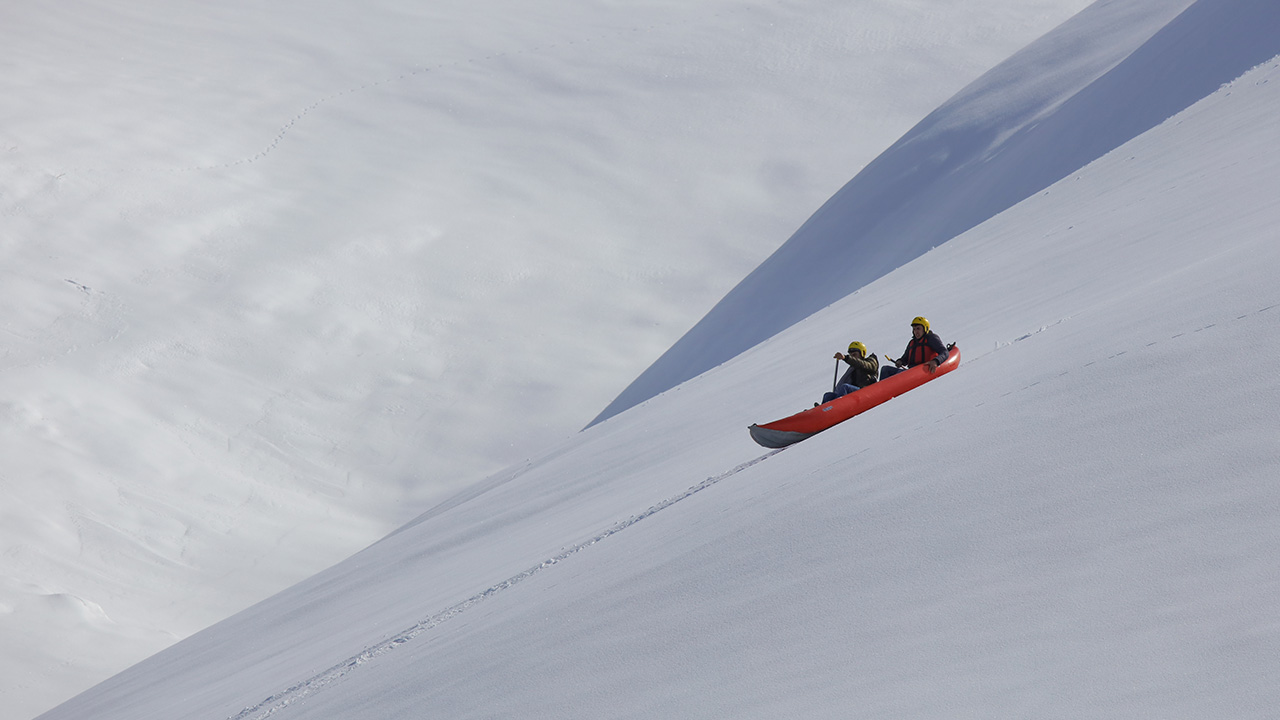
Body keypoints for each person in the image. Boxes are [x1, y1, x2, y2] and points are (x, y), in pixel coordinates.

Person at [881, 316, 949, 381]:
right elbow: (905, 358)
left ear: (925, 328)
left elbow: (945, 352)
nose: (916, 331)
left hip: (923, 371)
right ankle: (879, 389)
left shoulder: (931, 338)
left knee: (899, 374)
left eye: (918, 329)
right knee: (885, 369)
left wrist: (936, 361)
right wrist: (900, 361)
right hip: (911, 372)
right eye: (914, 329)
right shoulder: (912, 342)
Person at [819, 341, 879, 405]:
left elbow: (864, 365)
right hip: (855, 392)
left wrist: (846, 358)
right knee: (828, 395)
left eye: (854, 354)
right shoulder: (853, 369)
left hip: (866, 391)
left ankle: (837, 406)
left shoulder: (870, 361)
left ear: (862, 353)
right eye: (851, 355)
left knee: (845, 387)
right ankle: (820, 411)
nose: (853, 357)